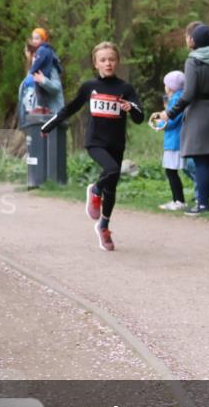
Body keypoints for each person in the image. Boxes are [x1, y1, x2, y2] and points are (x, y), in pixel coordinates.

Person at [41, 42, 143, 251]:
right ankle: (95, 189)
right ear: (96, 63)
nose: (108, 63)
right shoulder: (89, 87)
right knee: (113, 169)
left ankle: (103, 227)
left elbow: (140, 116)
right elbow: (71, 108)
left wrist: (130, 107)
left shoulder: (125, 88)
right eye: (103, 60)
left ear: (118, 62)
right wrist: (50, 125)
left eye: (112, 59)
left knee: (112, 187)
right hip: (95, 142)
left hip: (116, 143)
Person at [151, 24, 209, 214]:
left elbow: (188, 94)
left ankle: (202, 204)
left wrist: (169, 113)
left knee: (201, 161)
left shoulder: (193, 62)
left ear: (193, 41)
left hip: (199, 115)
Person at [157, 70, 187, 210]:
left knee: (171, 171)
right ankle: (178, 200)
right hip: (178, 139)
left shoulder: (175, 99)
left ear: (170, 86)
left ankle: (179, 201)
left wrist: (159, 124)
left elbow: (171, 121)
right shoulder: (181, 97)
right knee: (173, 171)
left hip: (174, 141)